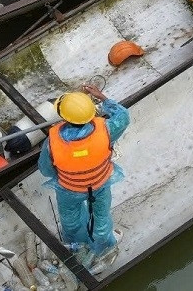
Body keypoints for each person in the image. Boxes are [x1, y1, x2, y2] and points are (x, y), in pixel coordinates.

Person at [39, 85, 127, 273]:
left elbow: (45, 170)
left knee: (70, 221)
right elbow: (123, 117)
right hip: (100, 185)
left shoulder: (52, 143)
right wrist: (101, 96)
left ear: (64, 117)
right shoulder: (107, 130)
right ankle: (102, 245)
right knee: (101, 219)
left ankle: (75, 246)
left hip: (69, 190)